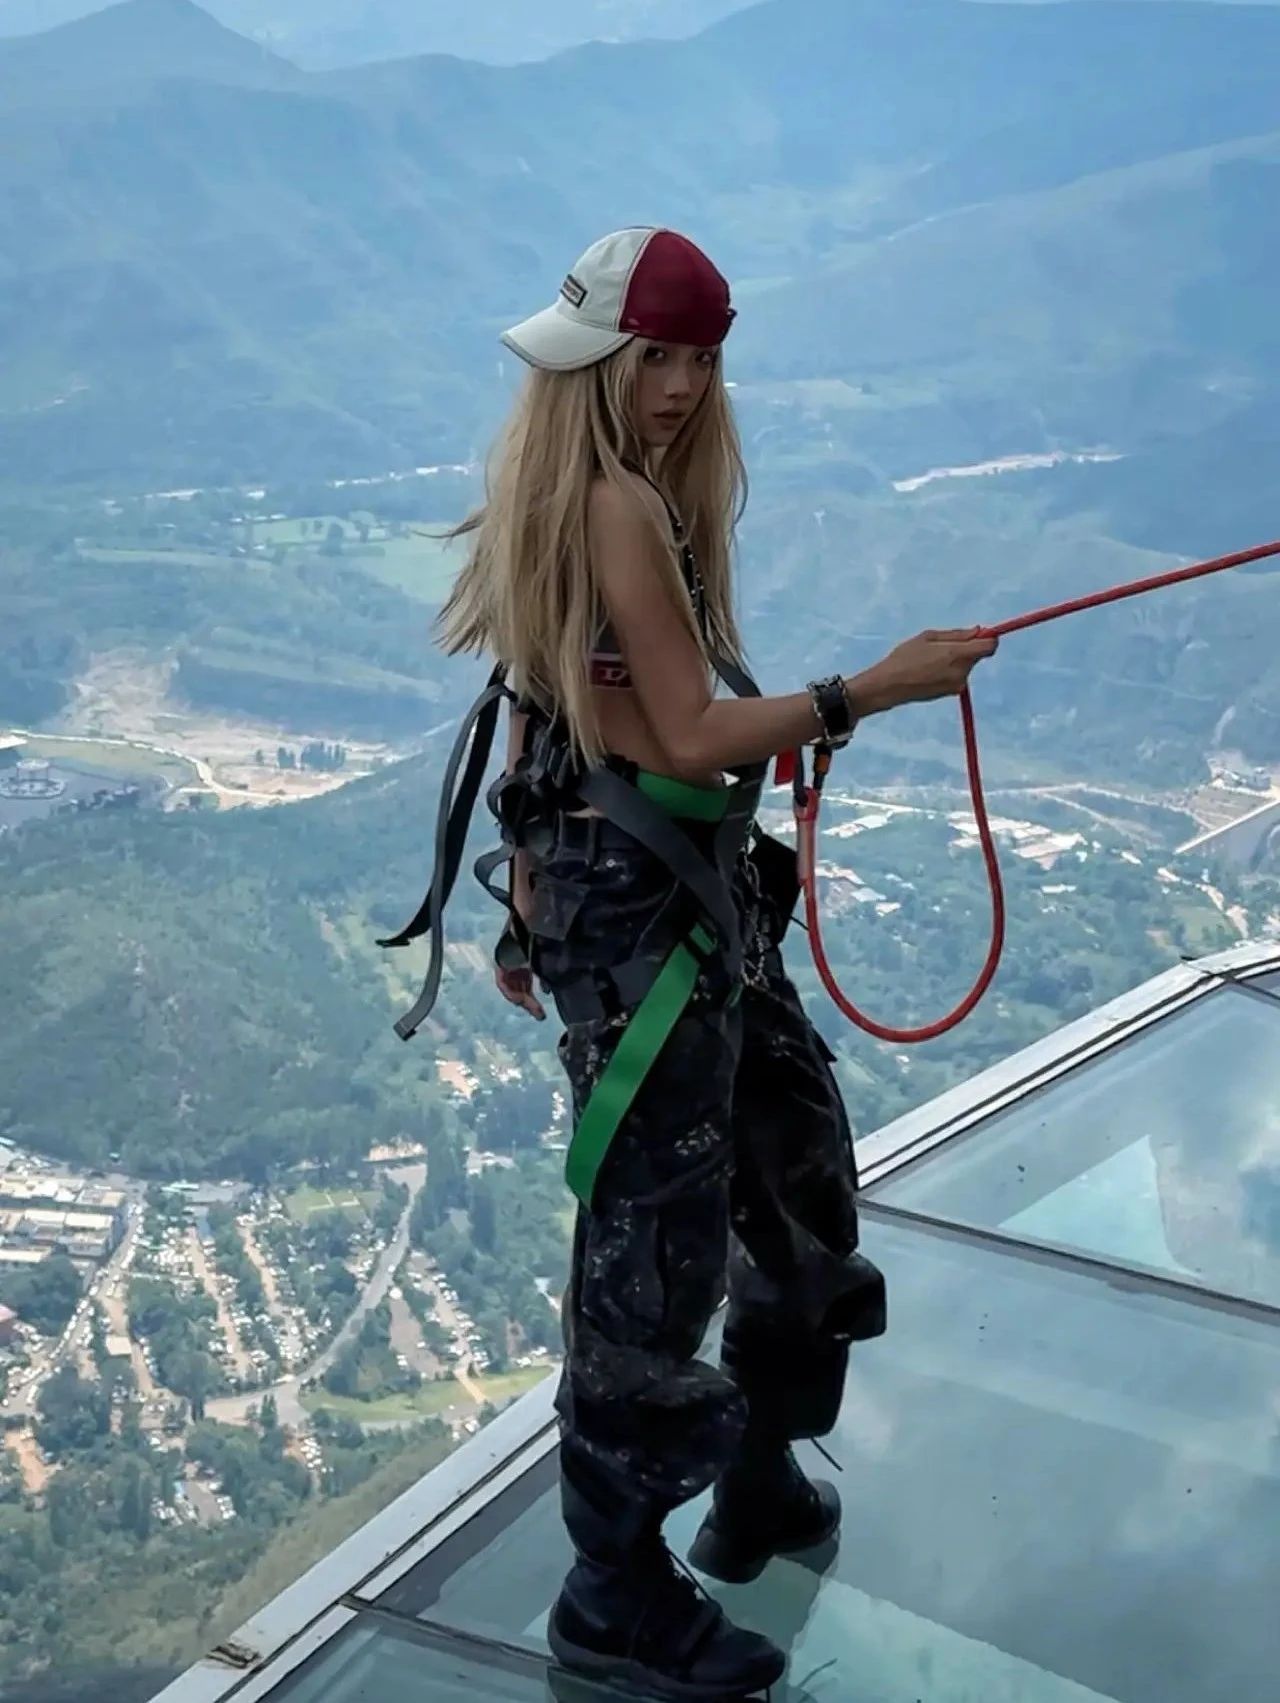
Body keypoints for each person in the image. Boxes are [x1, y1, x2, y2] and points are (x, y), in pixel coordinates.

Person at [428, 227, 997, 1700]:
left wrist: (527, 901)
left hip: (655, 904)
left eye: (700, 357)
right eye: (655, 357)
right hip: (648, 925)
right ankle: (613, 1596)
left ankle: (758, 1475)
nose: (681, 385)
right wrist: (873, 689)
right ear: (599, 364)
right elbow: (682, 738)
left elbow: (547, 706)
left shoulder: (585, 489)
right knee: (656, 1246)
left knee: (786, 1169)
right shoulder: (613, 503)